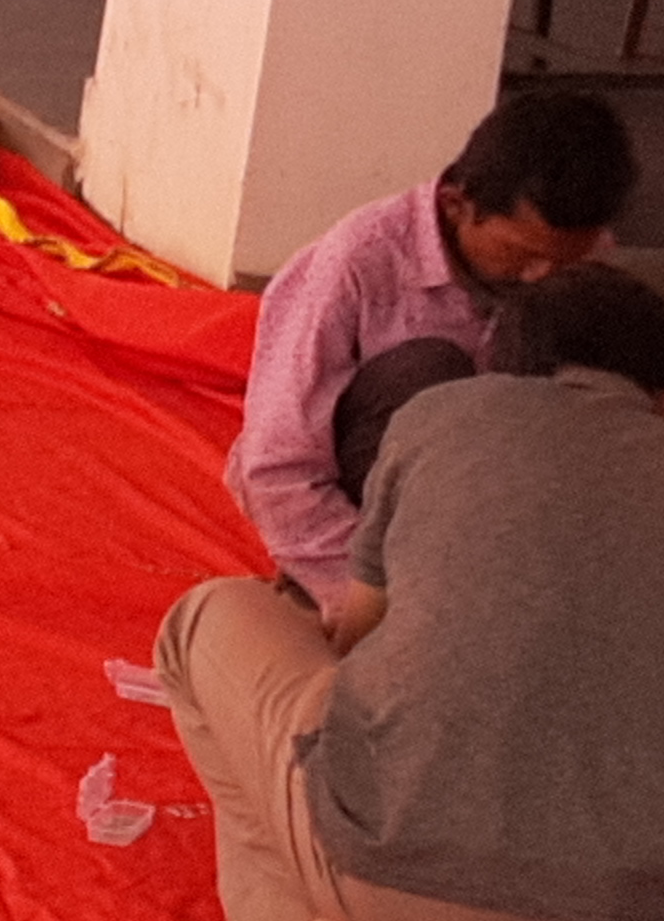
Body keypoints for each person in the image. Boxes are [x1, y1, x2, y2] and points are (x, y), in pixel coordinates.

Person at [158, 265, 664, 921]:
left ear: (501, 369)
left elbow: (357, 654)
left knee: (206, 619)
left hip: (394, 899)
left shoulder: (438, 418)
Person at [227, 90, 637, 606]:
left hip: (498, 510)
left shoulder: (579, 263)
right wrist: (369, 595)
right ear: (456, 206)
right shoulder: (358, 261)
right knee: (428, 371)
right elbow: (279, 467)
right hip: (379, 521)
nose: (542, 276)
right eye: (524, 255)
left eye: (566, 260)